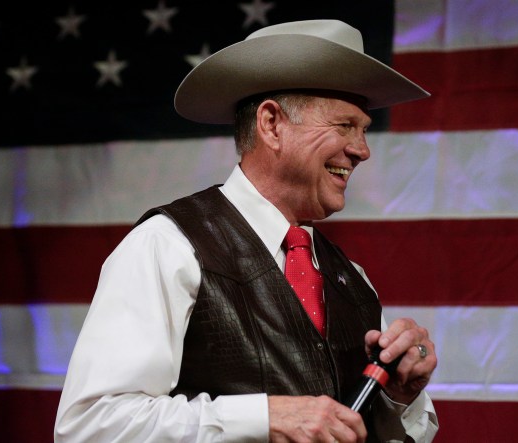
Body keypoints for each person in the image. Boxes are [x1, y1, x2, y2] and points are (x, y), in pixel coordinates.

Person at [55, 19, 438, 442]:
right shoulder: (167, 246)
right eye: (344, 125)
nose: (362, 150)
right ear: (271, 124)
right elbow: (89, 427)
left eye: (364, 130)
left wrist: (398, 397)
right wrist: (263, 419)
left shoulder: (354, 280)